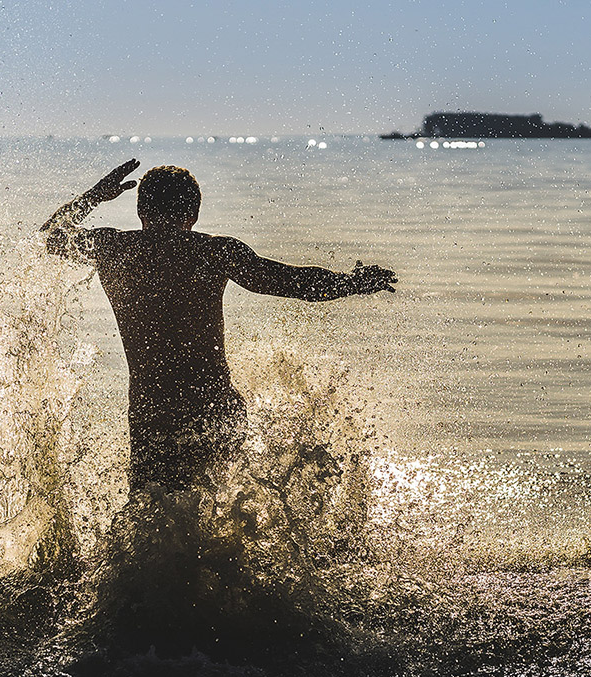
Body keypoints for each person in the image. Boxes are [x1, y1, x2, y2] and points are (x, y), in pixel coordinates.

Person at [41, 159, 396, 491]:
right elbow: (293, 283)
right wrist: (352, 283)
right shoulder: (214, 252)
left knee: (151, 509)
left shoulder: (113, 247)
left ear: (140, 211)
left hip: (151, 410)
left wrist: (95, 196)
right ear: (193, 214)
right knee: (219, 506)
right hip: (212, 404)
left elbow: (50, 236)